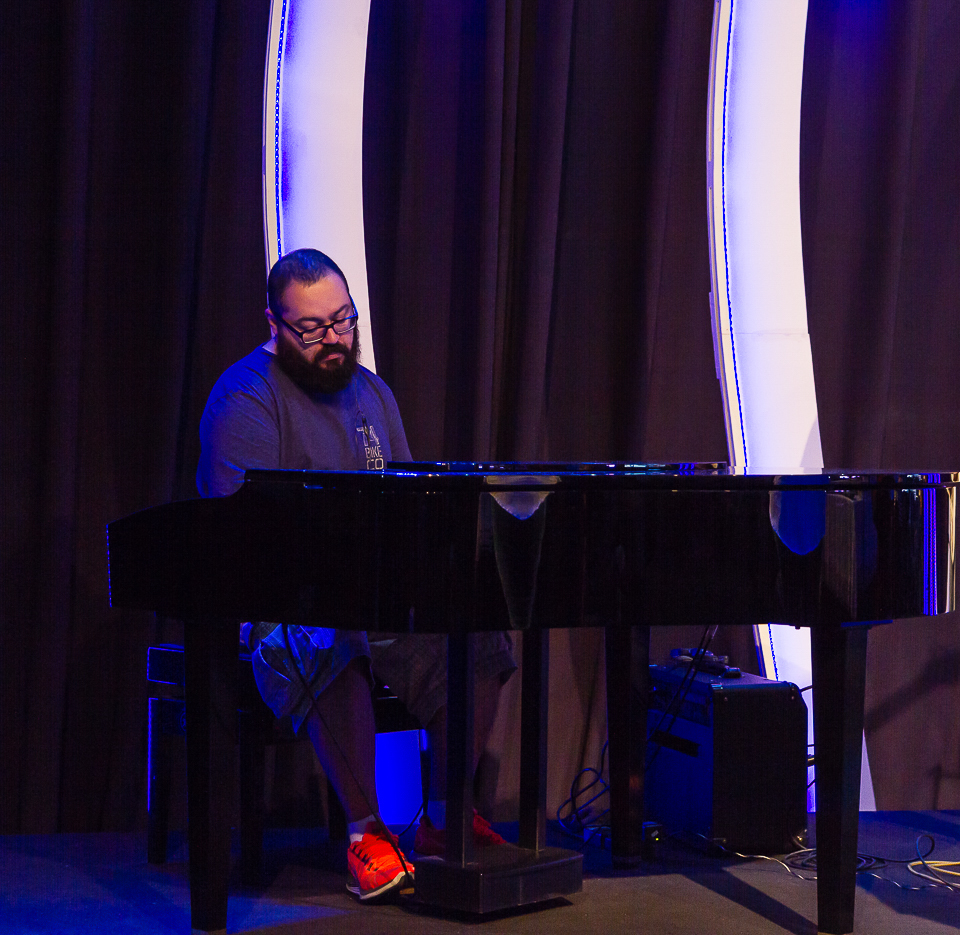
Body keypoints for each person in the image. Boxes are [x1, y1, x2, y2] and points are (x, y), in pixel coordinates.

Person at [196, 248, 515, 901]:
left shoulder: (372, 393)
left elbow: (405, 510)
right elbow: (241, 541)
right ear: (274, 324)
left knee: (482, 632)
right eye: (313, 328)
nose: (335, 339)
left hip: (376, 598)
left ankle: (443, 816)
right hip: (277, 609)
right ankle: (364, 832)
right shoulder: (245, 399)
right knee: (328, 632)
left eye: (343, 320)